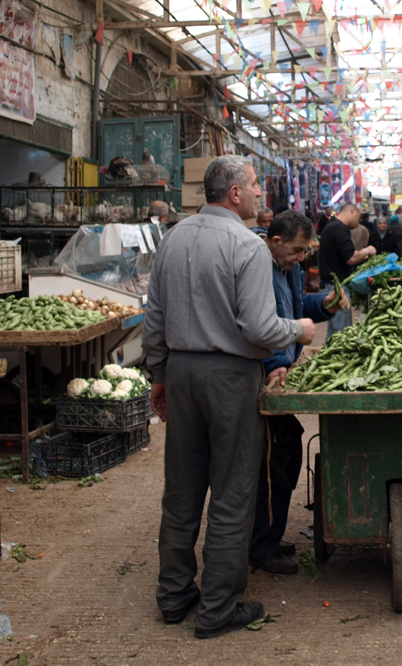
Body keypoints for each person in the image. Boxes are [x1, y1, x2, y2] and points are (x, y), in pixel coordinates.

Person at [144, 155, 316, 639]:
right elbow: (259, 329)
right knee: (232, 492)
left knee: (181, 491)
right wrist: (298, 330)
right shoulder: (248, 245)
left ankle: (174, 597)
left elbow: (154, 317)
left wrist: (160, 374)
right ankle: (218, 608)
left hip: (180, 372)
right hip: (229, 378)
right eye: (257, 185)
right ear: (235, 194)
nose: (262, 194)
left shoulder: (173, 237)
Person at [251, 210, 348, 575]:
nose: (300, 258)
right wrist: (278, 361)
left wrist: (325, 304)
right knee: (275, 457)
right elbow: (262, 320)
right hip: (262, 376)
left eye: (304, 250)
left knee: (285, 449)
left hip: (279, 370)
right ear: (275, 242)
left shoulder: (286, 269)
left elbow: (294, 309)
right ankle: (261, 546)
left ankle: (268, 538)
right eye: (295, 250)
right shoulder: (259, 267)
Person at [318, 203, 376, 339]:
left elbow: (344, 254)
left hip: (329, 284)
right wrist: (368, 250)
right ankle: (341, 360)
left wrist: (360, 255)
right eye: (359, 218)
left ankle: (330, 358)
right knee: (343, 334)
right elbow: (350, 258)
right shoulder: (340, 228)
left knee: (334, 332)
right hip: (336, 287)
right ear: (353, 211)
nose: (358, 223)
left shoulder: (332, 225)